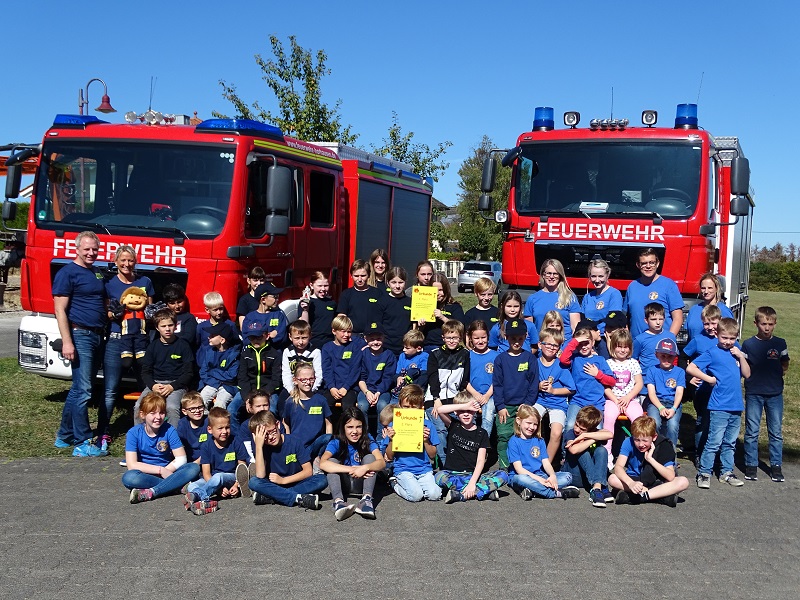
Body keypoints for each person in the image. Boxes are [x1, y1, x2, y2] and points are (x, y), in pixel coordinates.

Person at [53, 231, 108, 456]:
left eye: (94, 249)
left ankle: (63, 436)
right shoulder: (67, 273)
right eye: (86, 249)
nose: (91, 253)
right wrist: (67, 341)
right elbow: (60, 309)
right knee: (84, 390)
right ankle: (83, 441)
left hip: (97, 336)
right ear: (77, 249)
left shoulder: (96, 273)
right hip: (80, 335)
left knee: (79, 388)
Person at [99, 245, 154, 448]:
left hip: (140, 339)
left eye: (130, 260)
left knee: (145, 386)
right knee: (111, 389)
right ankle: (103, 433)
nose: (126, 264)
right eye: (122, 260)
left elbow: (149, 311)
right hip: (116, 339)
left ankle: (148, 431)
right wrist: (116, 313)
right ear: (115, 262)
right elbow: (106, 314)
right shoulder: (109, 283)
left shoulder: (145, 282)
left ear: (135, 262)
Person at [686, 317, 751, 489]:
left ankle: (726, 472)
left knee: (730, 442)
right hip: (718, 406)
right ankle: (704, 472)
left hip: (736, 405)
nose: (728, 342)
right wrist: (709, 379)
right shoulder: (712, 352)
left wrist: (741, 357)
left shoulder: (736, 351)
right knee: (714, 441)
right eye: (725, 338)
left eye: (732, 338)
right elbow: (691, 368)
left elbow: (747, 374)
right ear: (717, 334)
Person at [122, 392, 201, 505]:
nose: (158, 417)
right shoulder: (133, 433)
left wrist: (166, 470)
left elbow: (181, 458)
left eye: (162, 413)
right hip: (146, 474)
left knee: (193, 467)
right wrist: (160, 470)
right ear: (143, 414)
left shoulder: (169, 430)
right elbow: (132, 465)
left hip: (169, 471)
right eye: (153, 413)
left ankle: (153, 492)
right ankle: (176, 487)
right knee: (129, 478)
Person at [743, 306, 790, 482]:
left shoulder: (780, 343)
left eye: (770, 324)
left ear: (775, 324)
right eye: (763, 324)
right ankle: (751, 465)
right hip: (754, 392)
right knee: (752, 431)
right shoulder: (749, 344)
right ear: (756, 323)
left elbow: (785, 363)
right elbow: (744, 365)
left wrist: (778, 375)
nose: (767, 327)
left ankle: (776, 466)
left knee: (776, 431)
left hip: (775, 393)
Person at [435, 391, 509, 503]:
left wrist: (472, 483)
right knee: (438, 477)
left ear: (475, 411)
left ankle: (461, 495)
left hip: (473, 475)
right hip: (452, 474)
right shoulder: (453, 425)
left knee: (503, 475)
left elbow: (480, 461)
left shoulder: (482, 433)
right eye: (462, 411)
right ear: (456, 412)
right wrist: (465, 405)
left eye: (469, 411)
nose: (466, 414)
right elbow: (439, 410)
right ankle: (482, 492)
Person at [247, 409, 327, 509]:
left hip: (295, 482)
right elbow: (260, 475)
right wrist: (258, 446)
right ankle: (298, 498)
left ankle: (273, 497)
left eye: (272, 431)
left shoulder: (294, 441)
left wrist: (284, 480)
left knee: (322, 480)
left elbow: (308, 471)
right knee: (253, 482)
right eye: (265, 436)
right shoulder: (260, 447)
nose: (271, 437)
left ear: (278, 425)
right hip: (274, 485)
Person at [320, 406, 386, 520]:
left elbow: (382, 462)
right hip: (344, 483)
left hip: (362, 482)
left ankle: (366, 500)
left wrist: (365, 467)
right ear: (343, 428)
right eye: (350, 427)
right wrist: (351, 469)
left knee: (370, 458)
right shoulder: (337, 441)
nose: (354, 431)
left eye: (358, 427)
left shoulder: (367, 439)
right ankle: (338, 502)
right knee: (331, 462)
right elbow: (322, 463)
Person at [608, 415, 689, 507]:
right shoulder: (628, 442)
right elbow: (618, 467)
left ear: (654, 437)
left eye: (645, 440)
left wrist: (650, 459)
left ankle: (637, 497)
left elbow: (670, 476)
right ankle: (660, 496)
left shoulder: (664, 445)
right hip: (634, 479)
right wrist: (630, 483)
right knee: (612, 479)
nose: (640, 444)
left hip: (657, 481)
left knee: (683, 481)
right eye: (637, 440)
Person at [492, 319, 539, 469]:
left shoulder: (530, 358)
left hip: (523, 405)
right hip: (505, 406)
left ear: (525, 336)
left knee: (524, 436)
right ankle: (504, 468)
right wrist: (500, 406)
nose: (517, 342)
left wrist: (527, 404)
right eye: (513, 338)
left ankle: (524, 466)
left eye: (520, 338)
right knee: (504, 435)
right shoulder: (500, 359)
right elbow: (497, 385)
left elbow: (533, 383)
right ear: (506, 336)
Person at [135, 309, 194, 427]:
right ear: (157, 328)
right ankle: (140, 439)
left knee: (171, 408)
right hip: (156, 384)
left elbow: (188, 373)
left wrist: (173, 386)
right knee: (138, 406)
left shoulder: (183, 345)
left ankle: (174, 442)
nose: (167, 329)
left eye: (170, 325)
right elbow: (145, 372)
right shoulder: (153, 346)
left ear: (175, 325)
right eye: (163, 326)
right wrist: (153, 385)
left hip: (176, 385)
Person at [184, 407, 248, 515]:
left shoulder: (236, 441)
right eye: (220, 428)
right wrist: (218, 489)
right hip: (212, 479)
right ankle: (205, 502)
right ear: (210, 429)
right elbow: (206, 473)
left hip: (230, 477)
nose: (224, 431)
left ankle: (198, 497)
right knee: (191, 486)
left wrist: (236, 485)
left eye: (227, 427)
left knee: (219, 477)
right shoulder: (206, 446)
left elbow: (242, 468)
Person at [507, 404, 579, 500]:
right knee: (521, 479)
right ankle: (555, 493)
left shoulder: (539, 440)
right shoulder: (514, 441)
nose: (532, 427)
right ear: (518, 421)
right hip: (521, 476)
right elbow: (520, 470)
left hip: (539, 474)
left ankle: (533, 491)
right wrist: (540, 480)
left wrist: (552, 476)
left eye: (535, 424)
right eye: (528, 423)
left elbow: (546, 462)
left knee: (567, 476)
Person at [384, 385, 441, 502]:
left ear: (421, 408)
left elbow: (433, 455)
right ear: (400, 406)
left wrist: (426, 440)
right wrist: (392, 440)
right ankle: (394, 483)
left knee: (435, 495)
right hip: (403, 469)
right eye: (406, 407)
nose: (409, 410)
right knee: (416, 496)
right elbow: (389, 457)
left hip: (424, 469)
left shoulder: (428, 425)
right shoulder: (394, 425)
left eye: (414, 407)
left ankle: (415, 484)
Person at [559, 324, 616, 432]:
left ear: (593, 342)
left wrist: (598, 374)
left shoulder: (600, 360)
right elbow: (563, 359)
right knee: (570, 425)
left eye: (586, 343)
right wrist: (575, 341)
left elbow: (612, 381)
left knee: (597, 429)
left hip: (596, 403)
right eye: (580, 344)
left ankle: (595, 449)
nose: (584, 347)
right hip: (578, 401)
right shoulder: (575, 359)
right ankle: (566, 448)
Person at [428, 319, 470, 464]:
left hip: (454, 398)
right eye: (449, 337)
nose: (452, 341)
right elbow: (432, 378)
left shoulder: (465, 354)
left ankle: (463, 460)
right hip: (435, 399)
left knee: (460, 427)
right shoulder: (435, 354)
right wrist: (435, 398)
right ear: (443, 338)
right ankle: (446, 464)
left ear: (460, 338)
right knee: (440, 429)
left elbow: (465, 378)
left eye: (455, 337)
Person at [603, 328, 644, 469]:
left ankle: (638, 454)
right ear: (613, 346)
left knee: (639, 419)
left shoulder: (633, 363)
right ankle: (607, 454)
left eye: (625, 346)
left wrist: (628, 397)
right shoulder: (607, 363)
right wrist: (615, 400)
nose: (622, 350)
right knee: (608, 417)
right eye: (619, 346)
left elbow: (639, 383)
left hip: (630, 399)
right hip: (612, 399)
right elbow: (605, 386)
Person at [533, 327, 575, 463]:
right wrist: (537, 386)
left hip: (558, 403)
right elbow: (526, 383)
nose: (552, 348)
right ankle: (531, 458)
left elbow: (571, 389)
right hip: (538, 401)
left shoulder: (561, 366)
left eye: (555, 345)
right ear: (540, 345)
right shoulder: (534, 363)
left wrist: (554, 391)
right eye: (548, 344)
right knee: (528, 423)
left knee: (556, 432)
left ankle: (546, 464)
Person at [231, 318, 281, 428]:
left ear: (267, 336)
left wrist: (265, 395)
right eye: (251, 337)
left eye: (259, 337)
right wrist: (247, 398)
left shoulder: (274, 354)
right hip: (249, 391)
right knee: (231, 410)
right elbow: (242, 377)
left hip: (269, 391)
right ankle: (240, 438)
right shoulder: (245, 353)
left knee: (271, 411)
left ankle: (270, 435)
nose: (255, 340)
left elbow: (276, 379)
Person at [624, 248, 684, 338]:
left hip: (660, 345)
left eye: (651, 262)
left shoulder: (668, 285)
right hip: (636, 344)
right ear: (638, 265)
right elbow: (625, 317)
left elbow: (678, 318)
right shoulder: (632, 286)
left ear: (657, 264)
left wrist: (668, 341)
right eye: (644, 263)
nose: (648, 266)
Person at [561, 406, 614, 508]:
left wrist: (585, 436)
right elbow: (574, 449)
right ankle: (599, 486)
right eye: (576, 425)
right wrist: (591, 438)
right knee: (582, 451)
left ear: (592, 429)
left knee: (601, 450)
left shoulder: (593, 433)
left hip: (589, 478)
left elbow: (610, 434)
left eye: (582, 429)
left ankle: (597, 487)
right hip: (574, 475)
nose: (577, 429)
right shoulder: (570, 433)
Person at [281, 363, 333, 458]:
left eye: (311, 379)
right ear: (295, 380)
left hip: (316, 445)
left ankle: (319, 460)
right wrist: (289, 442)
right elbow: (285, 422)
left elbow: (328, 423)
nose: (307, 382)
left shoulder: (321, 400)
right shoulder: (290, 402)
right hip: (298, 445)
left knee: (328, 438)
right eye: (303, 379)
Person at [644, 338, 686, 450]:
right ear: (656, 355)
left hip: (673, 403)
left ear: (675, 356)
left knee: (672, 426)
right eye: (663, 356)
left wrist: (673, 408)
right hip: (656, 402)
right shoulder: (652, 370)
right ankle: (655, 451)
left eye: (670, 356)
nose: (666, 359)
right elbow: (651, 393)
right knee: (655, 423)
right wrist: (661, 407)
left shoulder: (680, 372)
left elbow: (679, 392)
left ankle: (671, 456)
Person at [523, 258, 580, 340]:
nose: (552, 277)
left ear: (560, 276)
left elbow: (575, 327)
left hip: (565, 345)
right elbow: (529, 330)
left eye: (555, 274)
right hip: (542, 346)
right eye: (549, 273)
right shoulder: (533, 298)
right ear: (543, 275)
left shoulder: (569, 297)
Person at [357, 323, 397, 429]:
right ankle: (365, 435)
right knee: (362, 405)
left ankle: (380, 437)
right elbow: (361, 377)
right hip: (366, 389)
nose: (375, 342)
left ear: (384, 338)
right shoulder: (362, 354)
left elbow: (388, 378)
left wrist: (378, 392)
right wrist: (367, 392)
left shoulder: (389, 355)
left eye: (378, 339)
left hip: (383, 391)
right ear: (366, 339)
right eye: (372, 339)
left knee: (382, 405)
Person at [321, 315, 362, 411]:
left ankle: (347, 426)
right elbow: (327, 369)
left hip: (350, 388)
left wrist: (346, 387)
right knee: (323, 404)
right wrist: (331, 387)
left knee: (348, 405)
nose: (346, 335)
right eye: (343, 331)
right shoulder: (327, 348)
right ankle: (329, 426)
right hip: (332, 387)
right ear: (334, 331)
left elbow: (355, 370)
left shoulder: (354, 347)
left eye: (349, 332)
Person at [465, 320, 499, 437]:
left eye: (483, 337)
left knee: (488, 413)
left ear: (488, 336)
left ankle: (483, 444)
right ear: (470, 338)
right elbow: (464, 381)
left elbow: (498, 379)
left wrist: (487, 395)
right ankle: (470, 443)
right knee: (468, 413)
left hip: (490, 396)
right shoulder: (467, 356)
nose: (480, 341)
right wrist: (476, 395)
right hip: (472, 395)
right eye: (476, 338)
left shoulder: (496, 356)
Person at [197, 322, 240, 409]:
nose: (209, 337)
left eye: (212, 336)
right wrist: (214, 381)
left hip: (228, 386)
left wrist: (212, 371)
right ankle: (205, 421)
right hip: (211, 383)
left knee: (219, 405)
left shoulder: (234, 355)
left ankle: (219, 422)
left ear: (222, 340)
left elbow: (231, 376)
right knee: (200, 401)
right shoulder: (209, 351)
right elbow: (203, 372)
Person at [279, 319, 323, 405]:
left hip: (310, 387)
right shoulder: (287, 352)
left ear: (310, 336)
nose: (300, 342)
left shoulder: (315, 352)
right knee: (282, 403)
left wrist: (311, 389)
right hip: (293, 387)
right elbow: (286, 374)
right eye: (297, 338)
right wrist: (292, 391)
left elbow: (319, 374)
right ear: (290, 337)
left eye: (304, 338)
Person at [417, 272, 464, 351]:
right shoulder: (424, 305)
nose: (438, 293)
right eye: (434, 290)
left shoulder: (454, 306)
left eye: (441, 290)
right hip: (428, 345)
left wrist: (443, 318)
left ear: (446, 290)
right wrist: (421, 324)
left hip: (448, 346)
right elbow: (417, 331)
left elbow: (460, 328)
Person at [337, 259, 382, 337]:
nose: (360, 279)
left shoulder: (378, 293)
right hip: (352, 336)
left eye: (363, 276)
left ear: (368, 275)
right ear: (351, 276)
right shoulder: (346, 294)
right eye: (356, 276)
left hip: (373, 337)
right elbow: (341, 317)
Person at [633, 302, 678, 376]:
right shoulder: (639, 339)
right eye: (653, 319)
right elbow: (633, 360)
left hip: (665, 376)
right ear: (646, 320)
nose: (658, 322)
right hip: (646, 377)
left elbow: (675, 358)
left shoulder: (670, 337)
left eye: (660, 319)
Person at [686, 273, 734, 341]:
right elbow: (689, 336)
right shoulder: (694, 310)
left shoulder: (724, 311)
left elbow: (731, 336)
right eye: (703, 288)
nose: (706, 291)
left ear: (716, 289)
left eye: (710, 288)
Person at [580, 259, 623, 334]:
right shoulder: (587, 297)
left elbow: (614, 318)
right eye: (593, 276)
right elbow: (582, 319)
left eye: (600, 276)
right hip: (588, 337)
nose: (597, 280)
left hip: (605, 336)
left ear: (607, 275)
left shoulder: (614, 294)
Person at [378, 266, 412, 356]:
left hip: (405, 348)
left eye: (401, 282)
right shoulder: (382, 301)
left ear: (405, 283)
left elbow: (414, 326)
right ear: (388, 283)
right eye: (393, 282)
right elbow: (378, 324)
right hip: (386, 347)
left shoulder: (411, 302)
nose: (397, 286)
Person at [298, 271, 337, 350]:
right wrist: (305, 310)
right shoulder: (306, 303)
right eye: (319, 286)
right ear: (311, 286)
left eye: (326, 286)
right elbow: (303, 326)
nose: (323, 289)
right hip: (313, 342)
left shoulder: (332, 303)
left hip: (329, 342)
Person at [245, 282, 288, 348]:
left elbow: (282, 337)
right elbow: (246, 339)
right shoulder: (250, 317)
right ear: (263, 300)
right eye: (275, 297)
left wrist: (257, 337)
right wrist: (268, 336)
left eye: (278, 296)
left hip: (274, 353)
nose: (277, 299)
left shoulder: (279, 315)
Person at [162, 283, 198, 352]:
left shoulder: (189, 318)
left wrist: (171, 345)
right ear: (166, 304)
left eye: (179, 302)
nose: (177, 306)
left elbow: (188, 337)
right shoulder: (163, 317)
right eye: (172, 303)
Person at [393, 329, 429, 396]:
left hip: (416, 391)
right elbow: (397, 373)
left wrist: (411, 388)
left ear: (418, 348)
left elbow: (424, 376)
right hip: (401, 391)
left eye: (407, 348)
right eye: (403, 347)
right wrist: (398, 378)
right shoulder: (402, 356)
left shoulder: (424, 356)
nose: (404, 350)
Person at [176, 391, 208, 464]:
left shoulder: (209, 422)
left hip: (206, 460)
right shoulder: (182, 424)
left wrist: (195, 464)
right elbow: (179, 446)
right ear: (184, 411)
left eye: (200, 407)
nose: (197, 411)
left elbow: (212, 447)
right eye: (192, 409)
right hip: (189, 459)